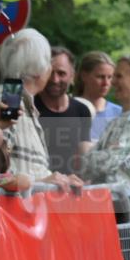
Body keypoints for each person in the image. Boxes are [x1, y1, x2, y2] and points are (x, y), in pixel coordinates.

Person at [0, 29, 83, 192]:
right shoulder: (8, 99)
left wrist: (58, 179)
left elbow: (25, 164)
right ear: (40, 70)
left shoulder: (20, 100)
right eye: (49, 64)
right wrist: (42, 181)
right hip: (11, 211)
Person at [78, 54, 130, 198]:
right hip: (110, 198)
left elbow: (109, 160)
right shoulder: (117, 121)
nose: (112, 82)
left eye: (119, 76)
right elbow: (85, 167)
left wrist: (91, 158)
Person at [35, 46, 92, 175]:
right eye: (49, 72)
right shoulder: (30, 107)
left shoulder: (82, 111)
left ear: (72, 76)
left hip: (70, 188)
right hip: (36, 186)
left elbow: (84, 155)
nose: (55, 80)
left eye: (61, 73)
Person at [74, 50, 120, 142]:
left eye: (110, 77)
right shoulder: (69, 108)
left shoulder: (119, 113)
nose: (106, 83)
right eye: (100, 77)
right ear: (84, 76)